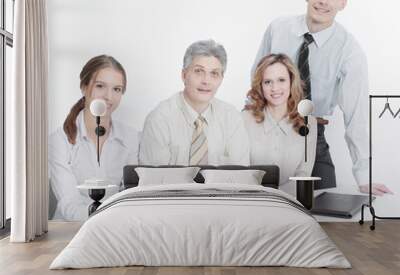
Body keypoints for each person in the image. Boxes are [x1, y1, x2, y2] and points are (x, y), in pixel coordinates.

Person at [251, 0, 392, 195]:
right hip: (266, 130)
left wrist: (364, 174)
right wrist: (248, 127)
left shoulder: (349, 51)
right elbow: (257, 81)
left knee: (324, 209)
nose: (323, 2)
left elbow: (356, 115)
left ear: (343, 3)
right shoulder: (278, 28)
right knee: (261, 204)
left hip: (310, 135)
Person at [49, 55, 139, 221]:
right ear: (84, 87)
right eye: (100, 86)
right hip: (70, 230)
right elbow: (69, 204)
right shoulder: (59, 141)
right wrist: (106, 219)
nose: (108, 97)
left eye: (117, 89)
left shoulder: (133, 138)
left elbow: (131, 195)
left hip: (116, 227)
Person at [139, 39, 249, 166]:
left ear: (221, 79)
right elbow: (153, 180)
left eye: (214, 73)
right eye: (198, 71)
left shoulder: (232, 118)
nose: (206, 81)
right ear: (184, 75)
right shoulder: (159, 119)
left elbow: (241, 177)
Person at [243, 53, 317, 194]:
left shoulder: (309, 123)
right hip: (254, 201)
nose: (275, 88)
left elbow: (303, 174)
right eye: (268, 82)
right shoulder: (244, 119)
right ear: (260, 85)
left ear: (291, 81)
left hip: (291, 202)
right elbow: (242, 173)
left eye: (281, 80)